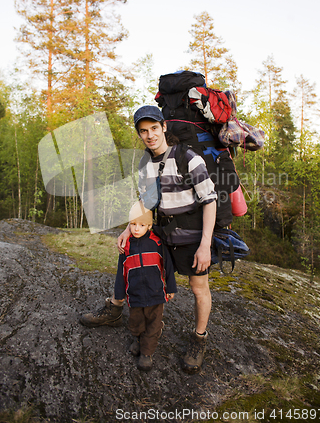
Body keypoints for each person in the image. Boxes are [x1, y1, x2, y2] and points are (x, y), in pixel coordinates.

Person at [80, 105, 217, 373]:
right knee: (130, 256)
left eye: (154, 128)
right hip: (161, 233)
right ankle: (115, 308)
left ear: (164, 127)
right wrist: (128, 227)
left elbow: (210, 200)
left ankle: (198, 340)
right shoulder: (145, 162)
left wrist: (205, 245)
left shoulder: (189, 158)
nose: (150, 135)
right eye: (143, 131)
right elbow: (146, 200)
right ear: (140, 135)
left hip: (190, 236)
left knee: (198, 287)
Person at [114, 200, 176, 372]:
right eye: (133, 224)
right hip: (135, 293)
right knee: (136, 321)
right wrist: (119, 292)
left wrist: (170, 288)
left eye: (142, 225)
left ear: (149, 225)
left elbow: (168, 266)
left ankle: (147, 353)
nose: (136, 229)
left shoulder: (157, 242)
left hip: (155, 292)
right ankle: (138, 339)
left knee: (153, 323)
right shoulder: (126, 246)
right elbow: (121, 270)